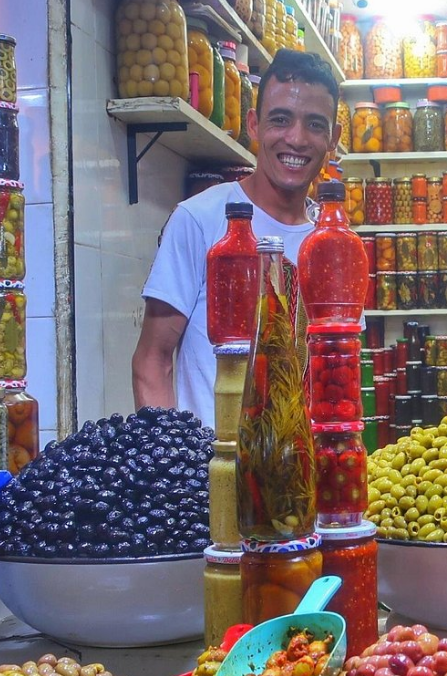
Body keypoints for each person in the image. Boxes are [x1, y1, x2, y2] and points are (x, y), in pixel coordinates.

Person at [131, 49, 342, 426]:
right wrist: (175, 456)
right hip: (212, 459)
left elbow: (340, 371)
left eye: (314, 124)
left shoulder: (335, 246)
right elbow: (153, 361)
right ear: (254, 125)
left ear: (333, 138)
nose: (296, 138)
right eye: (280, 119)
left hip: (304, 462)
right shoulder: (199, 218)